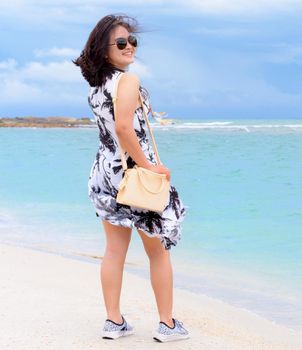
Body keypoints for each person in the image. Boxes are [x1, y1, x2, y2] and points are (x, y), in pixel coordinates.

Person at [73, 14, 189, 343]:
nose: (129, 47)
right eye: (121, 42)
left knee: (114, 250)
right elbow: (124, 128)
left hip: (104, 173)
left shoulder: (97, 85)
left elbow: (113, 130)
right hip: (133, 175)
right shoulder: (128, 81)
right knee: (158, 252)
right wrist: (149, 167)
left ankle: (114, 322)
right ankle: (167, 324)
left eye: (132, 41)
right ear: (103, 48)